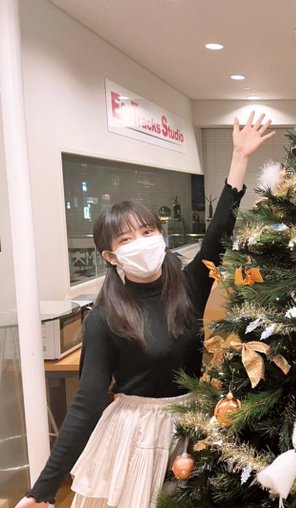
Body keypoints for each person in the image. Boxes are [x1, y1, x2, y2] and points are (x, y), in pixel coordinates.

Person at [17, 112, 275, 508]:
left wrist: (239, 159)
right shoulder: (105, 318)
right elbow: (86, 404)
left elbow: (218, 235)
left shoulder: (188, 285)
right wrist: (42, 490)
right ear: (110, 256)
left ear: (160, 234)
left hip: (193, 427)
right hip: (135, 437)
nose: (141, 242)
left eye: (147, 231)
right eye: (126, 239)